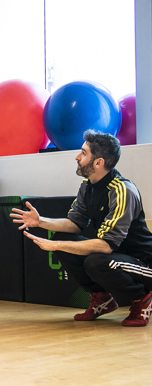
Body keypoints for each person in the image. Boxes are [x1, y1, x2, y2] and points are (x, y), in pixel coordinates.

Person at [10, 130, 152, 327]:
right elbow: (75, 224)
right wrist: (40, 221)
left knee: (95, 260)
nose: (77, 157)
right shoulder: (88, 186)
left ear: (98, 162)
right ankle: (103, 300)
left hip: (143, 264)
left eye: (83, 153)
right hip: (115, 258)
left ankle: (142, 301)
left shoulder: (123, 190)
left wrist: (57, 244)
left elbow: (106, 246)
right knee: (66, 240)